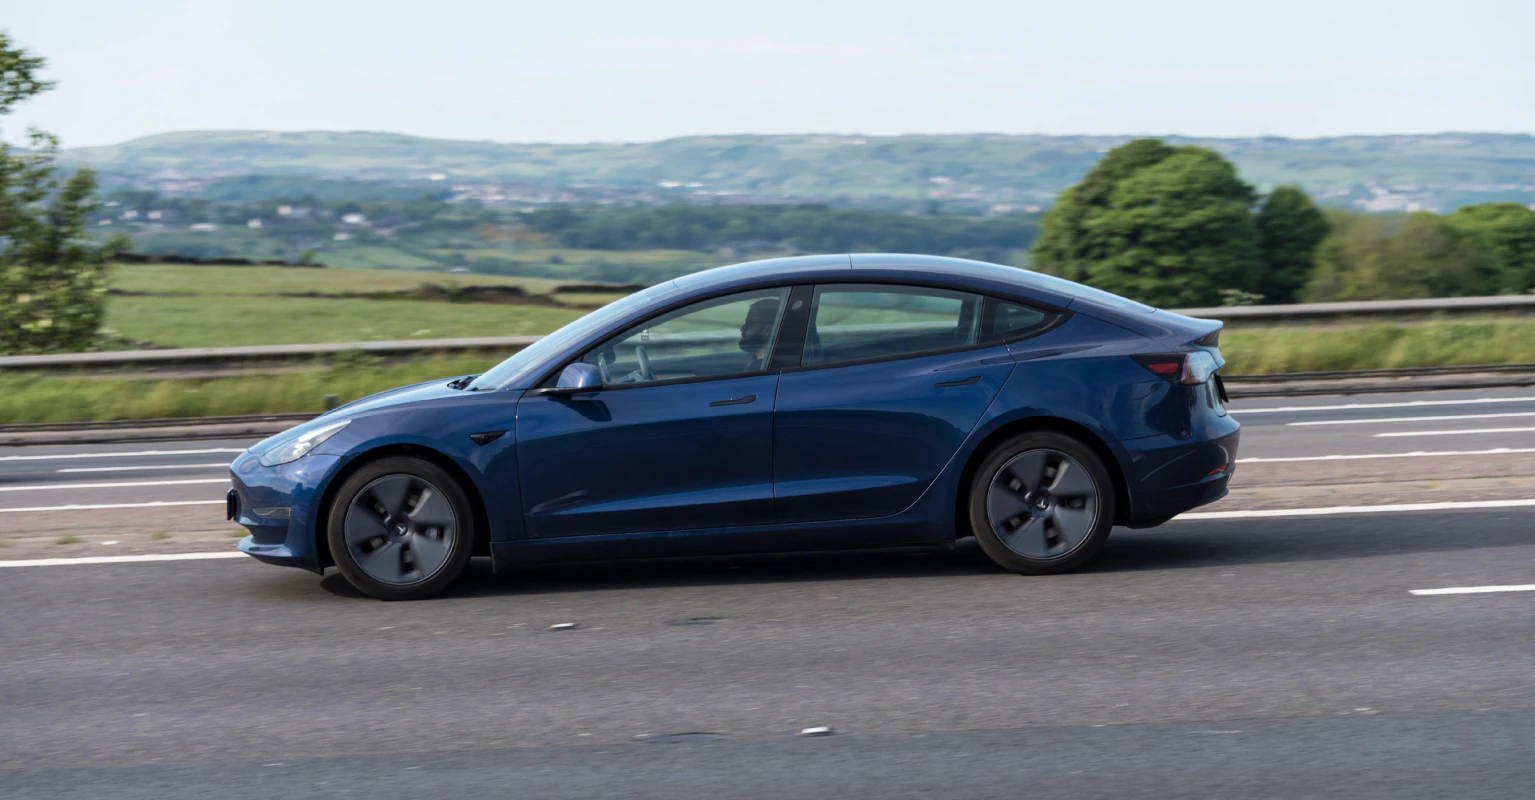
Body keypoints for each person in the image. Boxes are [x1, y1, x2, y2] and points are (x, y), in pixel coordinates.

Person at [739, 298, 782, 371]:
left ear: (767, 330)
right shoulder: (761, 363)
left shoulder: (757, 371)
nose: (742, 328)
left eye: (749, 324)